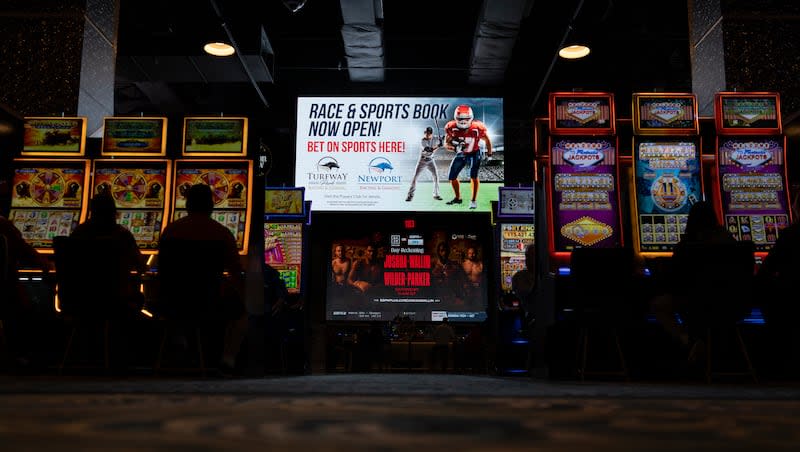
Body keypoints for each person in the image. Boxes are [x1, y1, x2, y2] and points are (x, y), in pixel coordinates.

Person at [158, 183, 247, 376]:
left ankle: (179, 340)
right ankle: (227, 360)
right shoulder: (221, 233)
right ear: (211, 205)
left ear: (187, 205)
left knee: (165, 305)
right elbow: (235, 272)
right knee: (243, 312)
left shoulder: (170, 231)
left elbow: (161, 271)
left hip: (171, 302)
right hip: (208, 301)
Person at [650, 200, 736, 349]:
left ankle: (688, 340)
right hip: (732, 302)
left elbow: (674, 278)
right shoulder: (729, 240)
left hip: (696, 301)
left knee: (658, 305)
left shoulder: (689, 245)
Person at [70, 192, 148, 314]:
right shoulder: (122, 235)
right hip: (117, 297)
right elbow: (141, 267)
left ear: (91, 211)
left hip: (81, 296)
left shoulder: (79, 233)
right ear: (113, 211)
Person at [0, 213, 51, 369]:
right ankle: (22, 355)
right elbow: (27, 253)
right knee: (26, 300)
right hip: (5, 294)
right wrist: (47, 266)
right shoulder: (3, 227)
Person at [444, 104, 493, 209]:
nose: (463, 121)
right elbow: (446, 144)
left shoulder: (477, 128)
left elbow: (488, 140)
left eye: (466, 118)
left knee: (473, 176)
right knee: (452, 177)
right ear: (455, 118)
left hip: (474, 152)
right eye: (460, 118)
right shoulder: (451, 127)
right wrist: (454, 148)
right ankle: (458, 198)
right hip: (461, 153)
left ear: (471, 118)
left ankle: (473, 200)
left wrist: (489, 155)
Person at [406, 126, 443, 202]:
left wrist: (442, 140)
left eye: (428, 133)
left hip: (431, 161)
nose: (427, 134)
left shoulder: (435, 138)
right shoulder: (422, 141)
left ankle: (436, 195)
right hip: (422, 161)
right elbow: (429, 150)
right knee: (415, 177)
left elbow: (445, 138)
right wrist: (438, 146)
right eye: (426, 133)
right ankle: (410, 195)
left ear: (431, 134)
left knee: (436, 176)